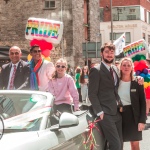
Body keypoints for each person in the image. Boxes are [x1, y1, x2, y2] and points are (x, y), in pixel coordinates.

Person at [88, 43, 123, 150]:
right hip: (105, 114)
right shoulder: (96, 70)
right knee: (115, 145)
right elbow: (92, 94)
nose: (109, 55)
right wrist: (100, 112)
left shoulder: (115, 69)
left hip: (116, 112)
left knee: (120, 145)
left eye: (112, 52)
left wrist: (138, 78)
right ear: (101, 53)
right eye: (107, 52)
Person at [118, 57, 146, 150]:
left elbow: (143, 102)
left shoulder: (137, 82)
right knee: (118, 144)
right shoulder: (115, 82)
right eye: (124, 65)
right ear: (120, 67)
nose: (126, 67)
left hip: (134, 116)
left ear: (132, 67)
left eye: (129, 65)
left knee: (134, 144)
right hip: (119, 115)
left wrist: (142, 120)